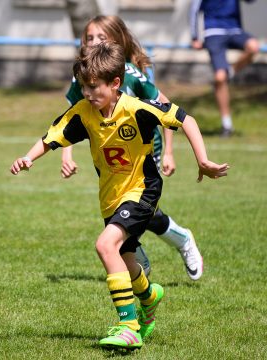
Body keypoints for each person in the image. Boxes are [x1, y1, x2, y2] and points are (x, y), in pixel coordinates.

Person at [10, 42, 229, 350]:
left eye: (93, 87)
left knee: (105, 245)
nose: (87, 94)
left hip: (142, 189)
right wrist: (28, 157)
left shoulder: (136, 108)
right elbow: (52, 135)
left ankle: (128, 325)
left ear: (115, 84)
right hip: (110, 197)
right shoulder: (84, 112)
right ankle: (150, 297)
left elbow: (185, 119)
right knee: (126, 260)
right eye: (84, 87)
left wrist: (203, 160)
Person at [63, 15, 204, 281]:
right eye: (89, 37)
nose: (94, 42)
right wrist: (66, 154)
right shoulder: (82, 76)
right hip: (111, 155)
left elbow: (166, 109)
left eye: (101, 38)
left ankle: (154, 251)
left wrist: (170, 152)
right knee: (132, 209)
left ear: (116, 41)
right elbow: (71, 118)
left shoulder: (130, 73)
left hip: (144, 150)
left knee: (136, 207)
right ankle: (153, 248)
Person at [190, 0, 259, 137]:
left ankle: (231, 70)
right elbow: (194, 10)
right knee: (220, 78)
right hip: (213, 32)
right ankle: (227, 125)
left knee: (253, 46)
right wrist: (195, 37)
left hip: (234, 30)